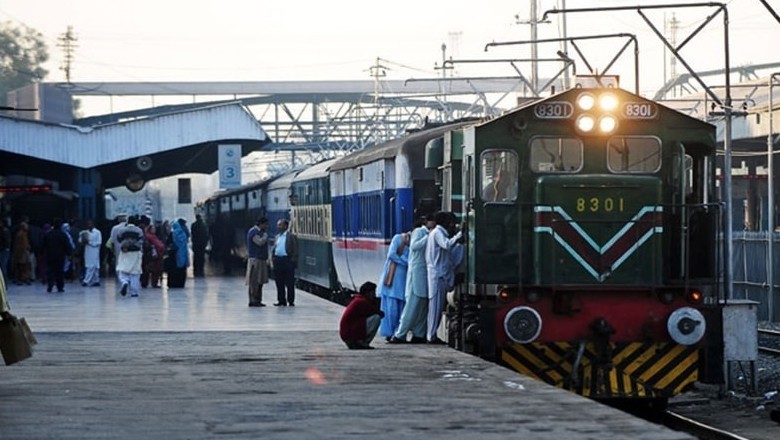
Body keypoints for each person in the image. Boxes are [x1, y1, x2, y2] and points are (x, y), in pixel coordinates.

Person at [390, 214, 436, 344]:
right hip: (416, 273)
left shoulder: (430, 233)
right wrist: (428, 237)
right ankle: (400, 334)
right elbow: (414, 246)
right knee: (412, 305)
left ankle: (419, 333)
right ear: (425, 221)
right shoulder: (419, 231)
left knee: (422, 306)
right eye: (432, 220)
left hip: (424, 273)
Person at [425, 211, 463, 344]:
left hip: (439, 275)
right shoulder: (437, 233)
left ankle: (431, 334)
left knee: (436, 306)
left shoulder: (436, 233)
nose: (452, 225)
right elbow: (447, 245)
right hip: (438, 276)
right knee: (435, 307)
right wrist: (459, 235)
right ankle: (431, 336)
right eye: (451, 222)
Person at [378, 230, 410, 340]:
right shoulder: (399, 239)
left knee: (401, 306)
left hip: (404, 278)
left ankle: (397, 332)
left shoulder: (412, 243)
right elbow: (391, 254)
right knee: (391, 307)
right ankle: (390, 332)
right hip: (393, 277)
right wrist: (406, 262)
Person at [339, 281, 384, 350]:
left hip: (348, 335)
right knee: (376, 318)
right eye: (373, 292)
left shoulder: (358, 300)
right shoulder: (362, 302)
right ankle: (363, 343)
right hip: (351, 334)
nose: (374, 295)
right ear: (367, 293)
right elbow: (379, 313)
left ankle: (359, 342)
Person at [116, 215, 145, 297]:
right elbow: (141, 241)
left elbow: (119, 239)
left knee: (123, 270)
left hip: (125, 252)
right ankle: (134, 292)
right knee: (135, 273)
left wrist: (125, 245)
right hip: (135, 253)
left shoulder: (122, 230)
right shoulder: (139, 231)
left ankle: (124, 282)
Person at [271, 219, 298, 306]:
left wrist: (292, 261)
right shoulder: (277, 237)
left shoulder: (291, 236)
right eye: (278, 225)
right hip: (278, 261)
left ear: (285, 226)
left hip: (287, 261)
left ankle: (291, 300)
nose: (278, 227)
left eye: (280, 225)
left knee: (290, 283)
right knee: (279, 283)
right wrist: (273, 258)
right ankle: (281, 300)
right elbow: (274, 248)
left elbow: (295, 250)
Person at [42, 218, 73, 293]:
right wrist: (69, 254)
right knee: (60, 272)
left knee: (51, 271)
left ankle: (50, 286)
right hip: (60, 256)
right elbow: (67, 246)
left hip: (50, 256)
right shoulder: (63, 235)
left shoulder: (48, 234)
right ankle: (60, 287)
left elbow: (43, 245)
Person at [245, 217, 270, 307]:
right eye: (265, 224)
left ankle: (258, 300)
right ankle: (253, 300)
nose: (266, 226)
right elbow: (259, 242)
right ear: (261, 224)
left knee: (259, 281)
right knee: (255, 281)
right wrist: (265, 236)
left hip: (260, 259)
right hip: (256, 260)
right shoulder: (254, 232)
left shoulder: (258, 232)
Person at [140, 218, 165, 289]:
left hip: (151, 255)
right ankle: (154, 283)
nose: (154, 229)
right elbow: (159, 245)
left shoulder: (150, 236)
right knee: (155, 270)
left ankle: (146, 283)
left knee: (150, 269)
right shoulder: (151, 236)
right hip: (154, 256)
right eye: (152, 228)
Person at [167, 218, 190, 288]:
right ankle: (181, 283)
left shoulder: (173, 234)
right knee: (182, 270)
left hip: (174, 256)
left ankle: (173, 283)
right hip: (183, 254)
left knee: (173, 271)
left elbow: (168, 243)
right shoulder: (184, 233)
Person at [80, 219, 102, 287]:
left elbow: (99, 242)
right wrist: (83, 240)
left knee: (93, 266)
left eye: (90, 224)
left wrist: (90, 242)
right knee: (92, 266)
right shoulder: (84, 232)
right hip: (87, 251)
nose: (89, 225)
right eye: (88, 224)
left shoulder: (97, 232)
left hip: (95, 251)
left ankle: (86, 280)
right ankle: (96, 280)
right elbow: (80, 240)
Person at [11, 221, 31, 285]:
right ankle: (21, 279)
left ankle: (23, 278)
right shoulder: (21, 234)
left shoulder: (23, 234)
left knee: (24, 266)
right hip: (22, 252)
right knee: (22, 266)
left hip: (23, 252)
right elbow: (21, 244)